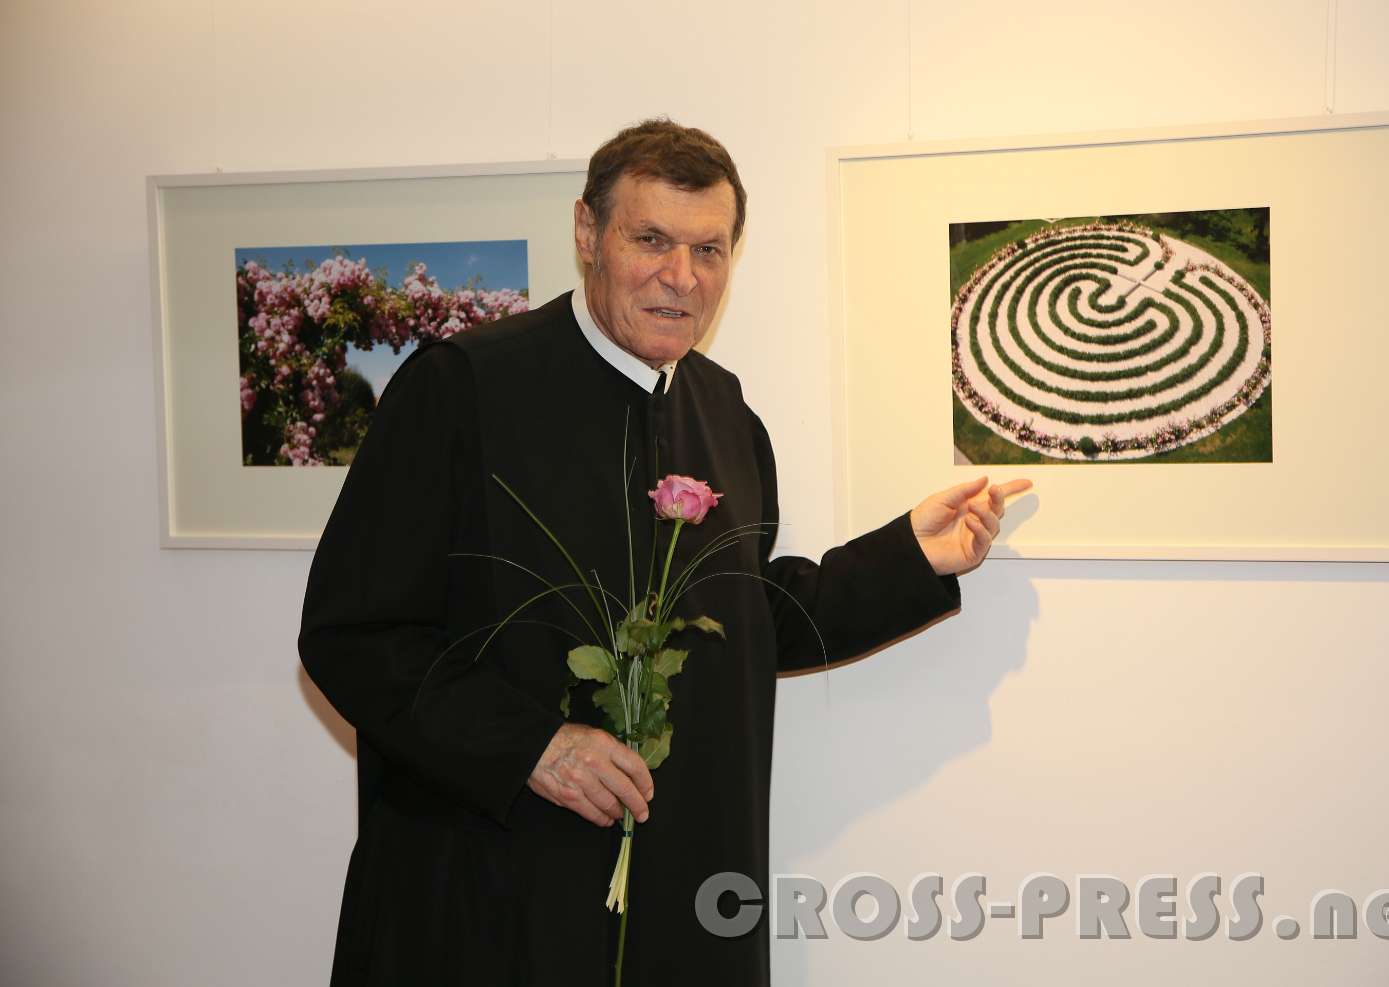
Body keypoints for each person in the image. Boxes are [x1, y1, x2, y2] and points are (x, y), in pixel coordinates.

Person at [299, 118, 1030, 986]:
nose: (682, 277)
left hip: (678, 908)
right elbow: (353, 635)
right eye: (651, 240)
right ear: (587, 232)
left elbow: (741, 616)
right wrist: (532, 746)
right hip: (488, 904)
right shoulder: (460, 388)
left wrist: (908, 555)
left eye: (708, 250)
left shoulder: (726, 412)